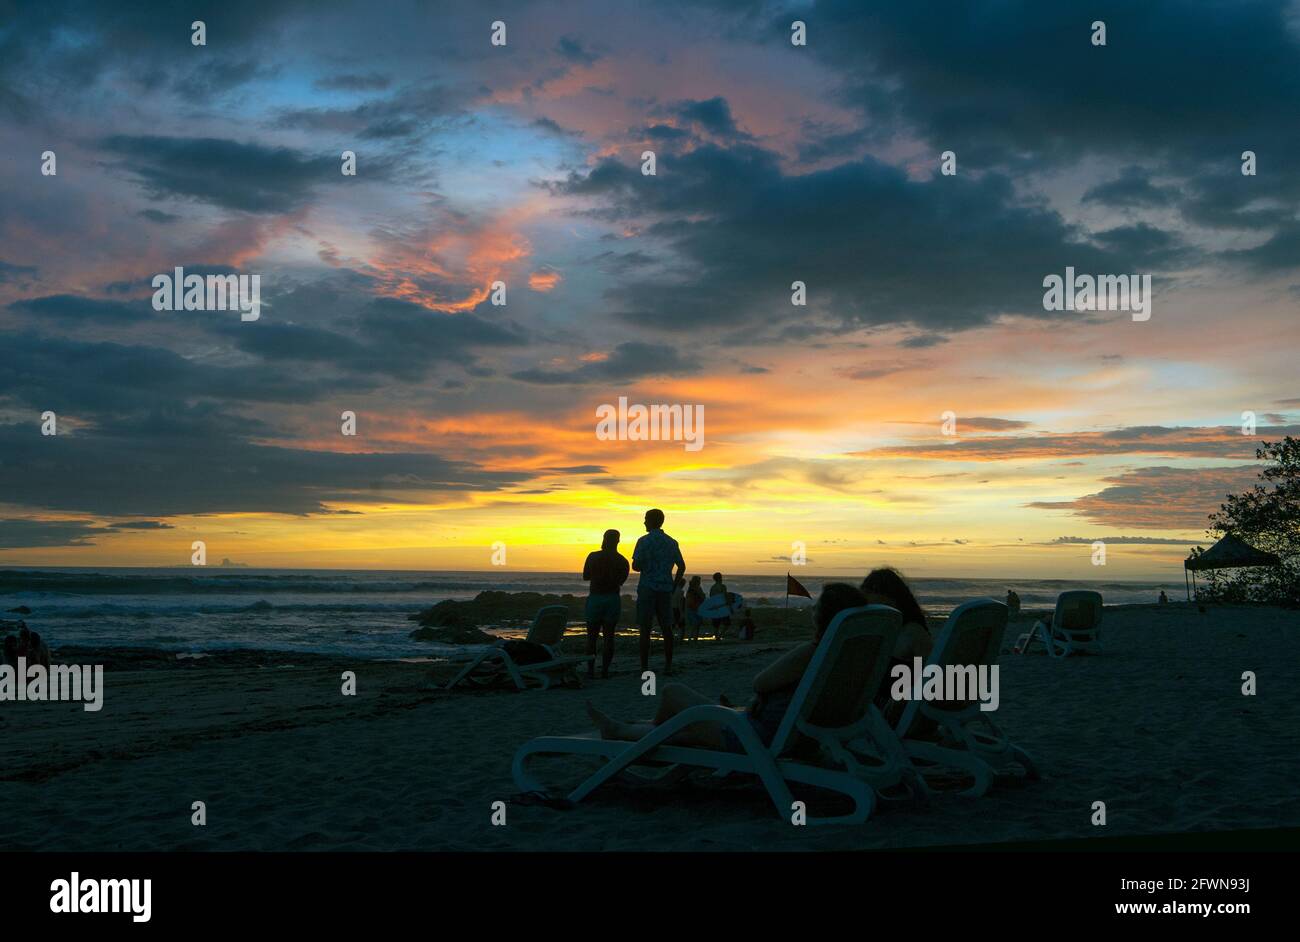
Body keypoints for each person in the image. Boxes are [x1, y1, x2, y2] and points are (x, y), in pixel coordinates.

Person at [586, 582, 868, 751]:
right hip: (805, 738)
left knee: (673, 692)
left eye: (817, 607)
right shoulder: (851, 657)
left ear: (825, 617)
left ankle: (641, 728)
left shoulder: (813, 652)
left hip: (758, 738)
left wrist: (761, 696)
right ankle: (625, 731)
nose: (812, 610)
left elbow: (760, 682)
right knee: (685, 731)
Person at [860, 567, 933, 723]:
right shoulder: (889, 630)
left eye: (871, 593)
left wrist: (907, 697)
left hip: (889, 711)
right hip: (878, 704)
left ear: (891, 598)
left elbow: (934, 674)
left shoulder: (913, 632)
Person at [631, 508, 685, 674]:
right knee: (666, 628)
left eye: (646, 519)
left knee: (645, 629)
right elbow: (681, 566)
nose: (644, 522)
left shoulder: (643, 541)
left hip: (648, 588)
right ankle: (668, 665)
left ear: (653, 521)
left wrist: (645, 563)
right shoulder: (671, 542)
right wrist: (674, 586)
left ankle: (644, 667)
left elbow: (636, 566)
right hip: (665, 589)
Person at [582, 529, 630, 679]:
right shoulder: (622, 560)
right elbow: (621, 581)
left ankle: (590, 671)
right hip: (612, 599)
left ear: (604, 539)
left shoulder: (593, 556)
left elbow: (585, 576)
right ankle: (605, 671)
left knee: (592, 637)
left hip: (595, 597)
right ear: (618, 541)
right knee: (609, 637)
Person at [709, 571, 731, 636]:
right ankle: (720, 635)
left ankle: (717, 636)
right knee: (727, 623)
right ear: (720, 578)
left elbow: (711, 597)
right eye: (721, 577)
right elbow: (724, 596)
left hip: (715, 606)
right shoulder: (723, 586)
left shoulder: (712, 587)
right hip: (722, 607)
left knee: (716, 624)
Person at [685, 575, 706, 641]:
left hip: (693, 608)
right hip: (694, 608)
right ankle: (693, 638)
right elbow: (702, 596)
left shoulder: (691, 588)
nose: (700, 582)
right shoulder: (696, 589)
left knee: (695, 624)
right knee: (695, 624)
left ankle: (692, 638)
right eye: (699, 581)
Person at [671, 574, 687, 642]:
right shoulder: (681, 591)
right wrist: (681, 613)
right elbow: (680, 603)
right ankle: (681, 638)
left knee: (672, 624)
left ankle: (670, 637)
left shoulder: (672, 590)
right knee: (681, 625)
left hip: (671, 608)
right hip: (677, 609)